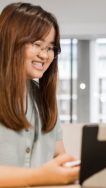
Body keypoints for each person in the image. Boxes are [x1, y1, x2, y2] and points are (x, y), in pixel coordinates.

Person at [0, 2, 79, 187]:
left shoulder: (42, 98)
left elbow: (59, 155)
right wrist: (37, 176)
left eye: (50, 48)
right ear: (10, 41)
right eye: (37, 44)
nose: (45, 55)